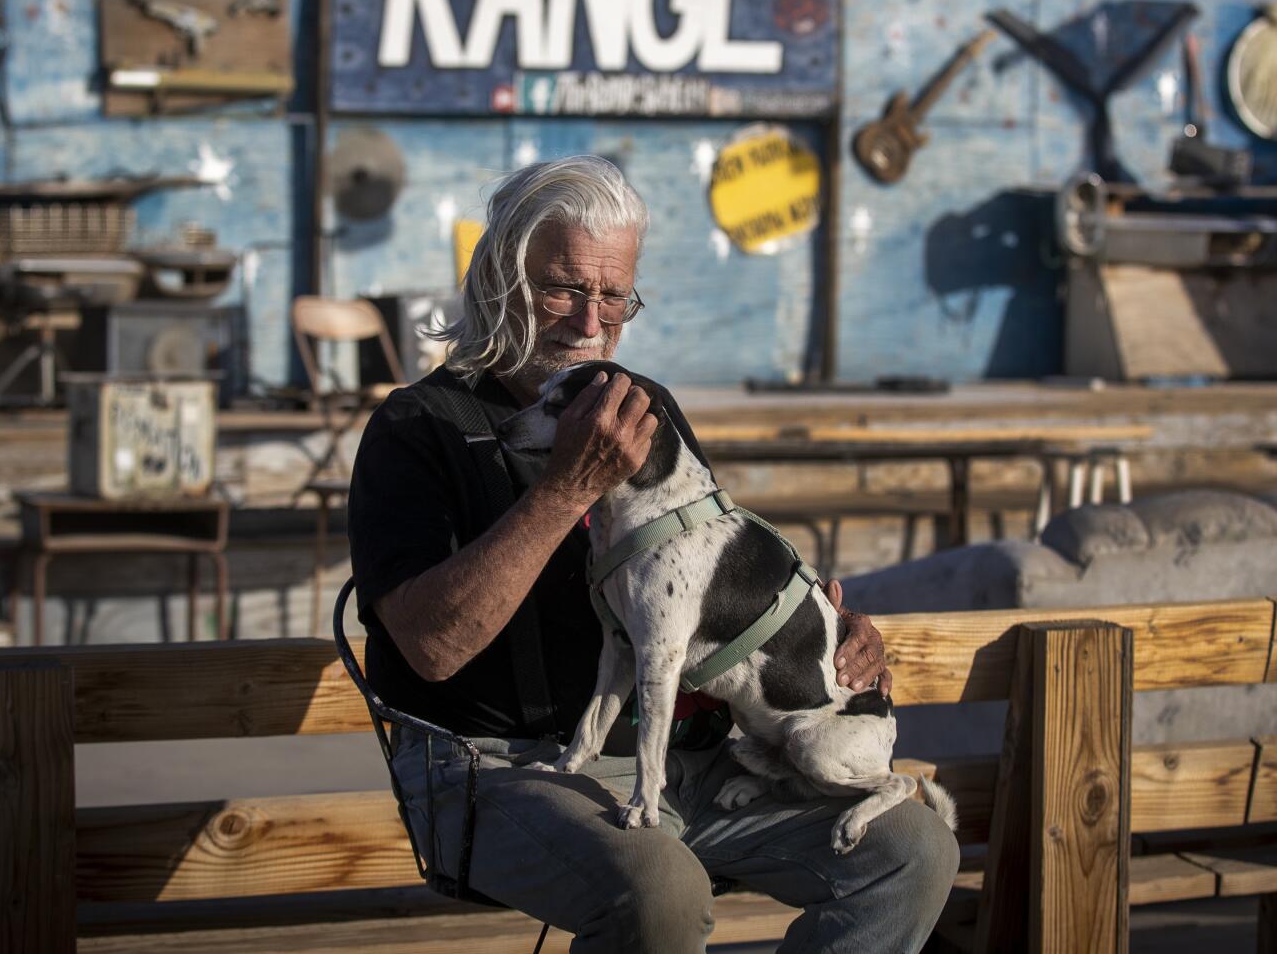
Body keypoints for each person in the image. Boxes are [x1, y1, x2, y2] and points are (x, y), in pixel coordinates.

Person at [346, 154, 959, 953]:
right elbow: (431, 646)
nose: (590, 322)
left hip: (686, 758)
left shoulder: (644, 406)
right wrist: (565, 488)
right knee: (661, 886)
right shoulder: (416, 427)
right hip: (495, 767)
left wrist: (826, 633)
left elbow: (716, 570)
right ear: (498, 276)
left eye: (613, 295)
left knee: (912, 852)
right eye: (566, 286)